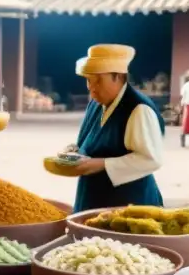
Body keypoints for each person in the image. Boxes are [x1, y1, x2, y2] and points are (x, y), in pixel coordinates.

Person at [66, 44, 165, 213]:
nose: (91, 87)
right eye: (88, 80)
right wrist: (73, 150)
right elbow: (90, 142)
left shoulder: (138, 108)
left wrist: (101, 164)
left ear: (118, 77)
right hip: (93, 198)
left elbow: (150, 159)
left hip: (129, 205)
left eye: (98, 80)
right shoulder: (96, 104)